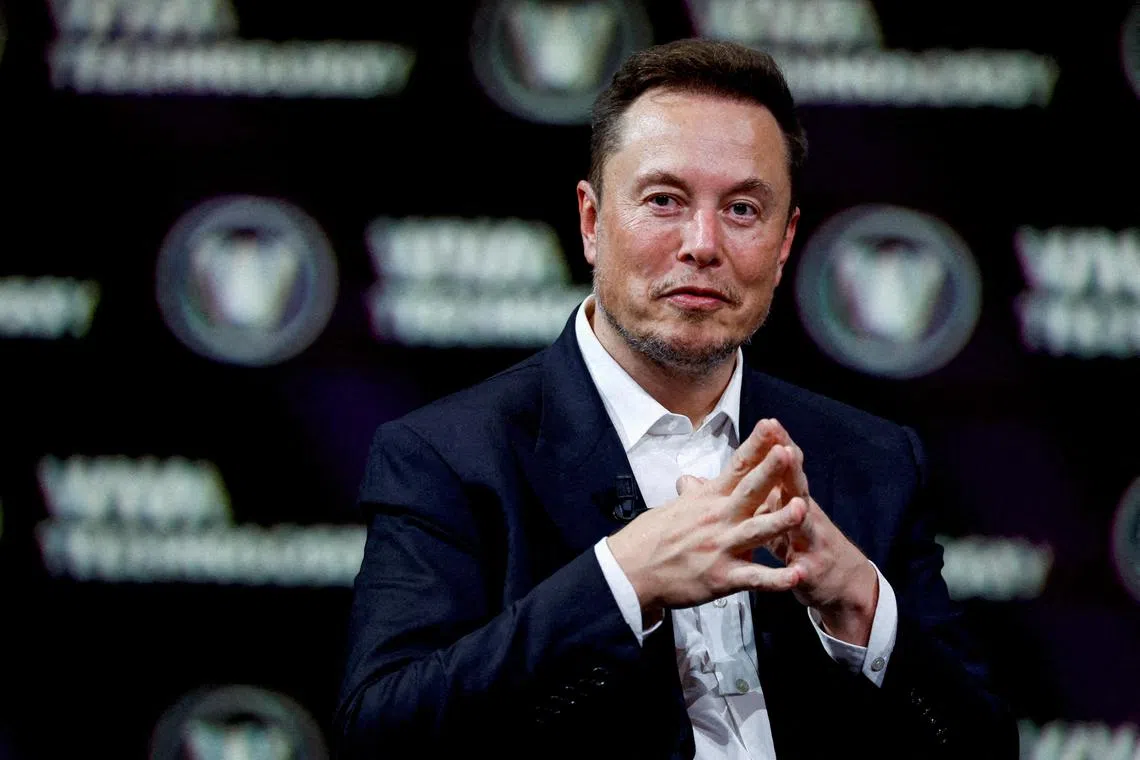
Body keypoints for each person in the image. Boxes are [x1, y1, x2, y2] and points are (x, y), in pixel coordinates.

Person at [335, 39, 1016, 759]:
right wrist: (624, 580)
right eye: (664, 200)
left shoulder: (874, 459)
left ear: (785, 243)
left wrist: (857, 602)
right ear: (592, 221)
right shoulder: (449, 455)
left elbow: (983, 746)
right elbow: (382, 733)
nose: (703, 244)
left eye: (744, 209)